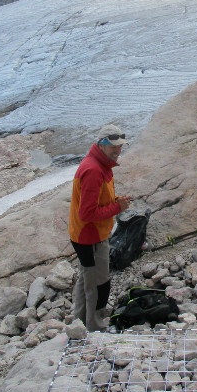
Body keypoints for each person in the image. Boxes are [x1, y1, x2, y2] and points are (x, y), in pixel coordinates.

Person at [68, 124, 131, 331]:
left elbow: (96, 200)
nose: (118, 151)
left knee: (86, 278)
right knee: (99, 285)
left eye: (120, 146)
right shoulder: (94, 170)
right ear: (102, 144)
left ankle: (78, 324)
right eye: (114, 147)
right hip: (89, 237)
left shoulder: (100, 164)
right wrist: (116, 207)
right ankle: (94, 329)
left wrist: (114, 200)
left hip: (84, 235)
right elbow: (86, 214)